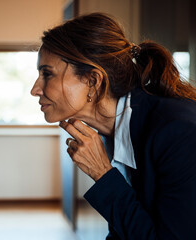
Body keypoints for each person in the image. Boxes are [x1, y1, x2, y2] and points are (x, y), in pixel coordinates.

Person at [30, 12, 196, 239]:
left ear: (93, 81)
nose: (35, 89)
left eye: (47, 74)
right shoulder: (115, 131)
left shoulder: (178, 132)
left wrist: (103, 174)